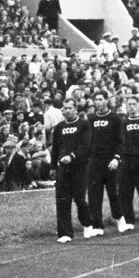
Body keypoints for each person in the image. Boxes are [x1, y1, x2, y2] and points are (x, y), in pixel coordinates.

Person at [51, 98, 91, 243]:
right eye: (65, 108)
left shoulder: (84, 124)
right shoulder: (59, 127)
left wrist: (72, 156)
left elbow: (85, 145)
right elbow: (55, 148)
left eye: (69, 108)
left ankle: (87, 223)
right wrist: (52, 167)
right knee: (62, 200)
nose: (67, 111)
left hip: (79, 166)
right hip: (63, 167)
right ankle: (65, 233)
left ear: (75, 109)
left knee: (79, 198)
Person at [85, 91, 121, 237]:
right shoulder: (90, 118)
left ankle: (119, 218)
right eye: (96, 99)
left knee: (113, 192)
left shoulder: (115, 118)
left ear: (106, 100)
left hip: (110, 160)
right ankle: (97, 225)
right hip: (94, 160)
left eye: (100, 99)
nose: (98, 102)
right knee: (94, 194)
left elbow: (120, 141)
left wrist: (116, 158)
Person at [115, 95, 139, 231]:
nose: (131, 107)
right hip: (126, 160)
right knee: (125, 192)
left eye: (133, 104)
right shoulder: (123, 123)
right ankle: (129, 220)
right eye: (128, 104)